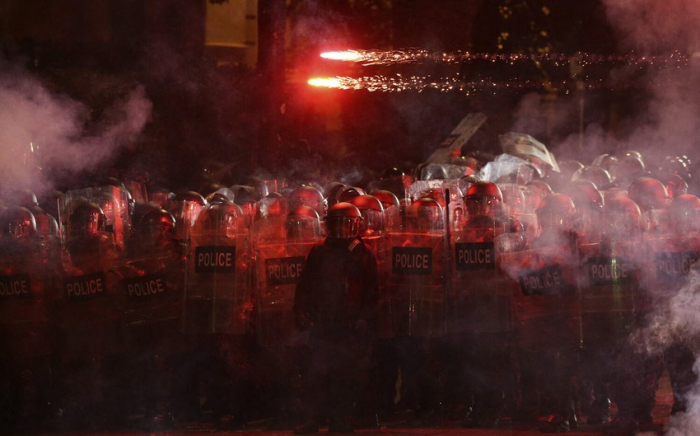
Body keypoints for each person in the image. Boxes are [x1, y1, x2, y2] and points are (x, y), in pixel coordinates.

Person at [292, 202, 379, 434]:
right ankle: (313, 420)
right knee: (317, 374)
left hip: (349, 325)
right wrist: (302, 312)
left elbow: (372, 290)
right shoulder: (319, 250)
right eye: (337, 224)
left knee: (344, 376)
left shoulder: (362, 253)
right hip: (323, 322)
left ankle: (339, 419)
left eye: (346, 224)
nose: (341, 230)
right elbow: (305, 286)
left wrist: (364, 318)